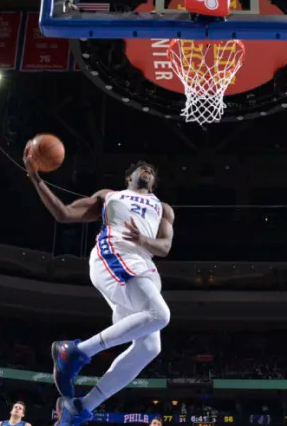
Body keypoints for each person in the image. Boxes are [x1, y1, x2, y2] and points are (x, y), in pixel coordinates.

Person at [23, 145, 174, 426]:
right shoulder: (109, 195)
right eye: (141, 168)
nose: (147, 171)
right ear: (128, 177)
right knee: (161, 315)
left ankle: (79, 407)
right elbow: (64, 213)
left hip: (144, 266)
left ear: (154, 182)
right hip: (115, 253)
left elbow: (164, 247)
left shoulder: (163, 208)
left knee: (150, 347)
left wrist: (143, 240)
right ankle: (75, 352)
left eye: (151, 171)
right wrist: (35, 178)